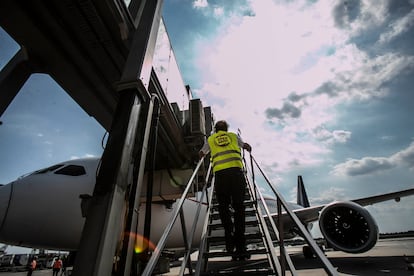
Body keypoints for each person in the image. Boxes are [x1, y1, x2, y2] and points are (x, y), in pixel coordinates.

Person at [199, 120, 252, 261]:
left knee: (223, 208)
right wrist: (247, 147)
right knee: (239, 208)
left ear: (215, 129)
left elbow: (201, 153)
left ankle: (229, 239)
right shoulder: (234, 136)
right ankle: (241, 245)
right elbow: (245, 146)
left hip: (221, 177)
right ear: (226, 128)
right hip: (236, 174)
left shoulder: (210, 139)